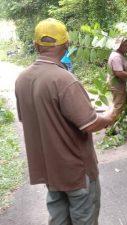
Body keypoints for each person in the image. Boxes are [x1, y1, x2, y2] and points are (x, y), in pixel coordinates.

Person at [15, 18, 114, 225]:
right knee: (84, 219)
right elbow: (89, 124)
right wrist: (109, 117)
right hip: (76, 171)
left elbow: (30, 119)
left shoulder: (22, 80)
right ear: (66, 44)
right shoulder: (64, 80)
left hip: (50, 172)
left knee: (58, 220)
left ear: (35, 45)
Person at [107, 37, 127, 121]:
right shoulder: (116, 57)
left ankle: (114, 122)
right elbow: (119, 73)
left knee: (121, 102)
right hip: (116, 84)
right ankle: (110, 126)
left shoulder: (118, 53)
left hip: (117, 83)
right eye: (125, 46)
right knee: (118, 105)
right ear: (119, 46)